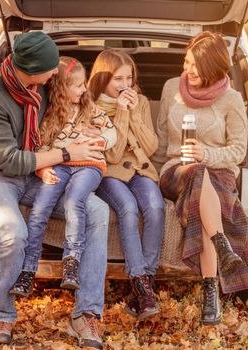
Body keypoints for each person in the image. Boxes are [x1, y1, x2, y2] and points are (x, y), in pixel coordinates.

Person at [0, 32, 108, 349]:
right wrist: (67, 154)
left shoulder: (41, 84)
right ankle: (1, 312)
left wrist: (88, 137)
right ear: (29, 70)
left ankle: (85, 314)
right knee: (13, 232)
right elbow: (8, 160)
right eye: (49, 70)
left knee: (98, 211)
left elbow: (69, 111)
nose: (55, 74)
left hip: (40, 168)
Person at [152, 31, 248, 325]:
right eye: (186, 63)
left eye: (195, 66)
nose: (188, 70)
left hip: (218, 173)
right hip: (175, 171)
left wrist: (206, 155)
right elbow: (162, 142)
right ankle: (221, 247)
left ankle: (210, 293)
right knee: (197, 175)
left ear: (213, 67)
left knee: (203, 187)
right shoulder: (171, 88)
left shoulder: (232, 100)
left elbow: (238, 150)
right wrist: (149, 176)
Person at [9, 56, 117, 294]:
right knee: (40, 209)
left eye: (84, 83)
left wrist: (98, 140)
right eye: (78, 85)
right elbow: (42, 145)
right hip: (60, 164)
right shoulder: (50, 114)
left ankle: (72, 262)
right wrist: (42, 167)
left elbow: (112, 133)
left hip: (89, 165)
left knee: (74, 200)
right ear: (61, 88)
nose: (84, 89)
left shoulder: (90, 109)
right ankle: (27, 270)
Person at [88, 49, 165, 320]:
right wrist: (121, 114)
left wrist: (134, 114)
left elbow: (152, 146)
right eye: (117, 79)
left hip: (141, 171)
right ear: (103, 79)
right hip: (109, 174)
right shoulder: (92, 106)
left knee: (155, 207)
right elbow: (113, 154)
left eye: (129, 78)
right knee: (129, 209)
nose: (124, 85)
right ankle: (141, 281)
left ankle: (143, 287)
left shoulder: (140, 101)